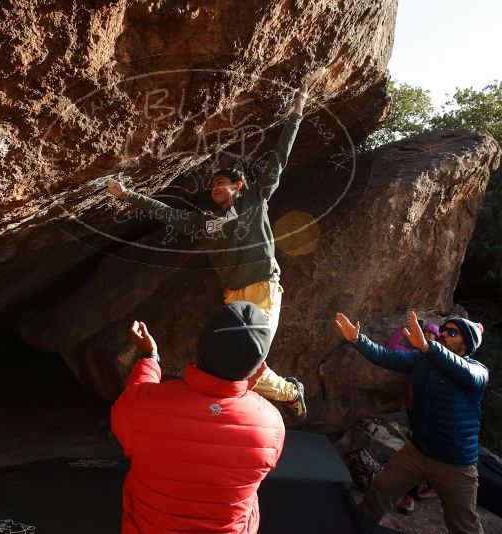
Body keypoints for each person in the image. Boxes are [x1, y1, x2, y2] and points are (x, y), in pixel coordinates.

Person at [107, 82, 314, 421]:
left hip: (262, 286)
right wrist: (128, 195)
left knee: (246, 362)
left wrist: (297, 112)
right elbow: (167, 213)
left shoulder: (254, 199)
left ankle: (290, 394)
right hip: (233, 296)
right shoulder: (205, 223)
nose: (217, 187)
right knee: (238, 364)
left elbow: (279, 159)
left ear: (239, 186)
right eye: (214, 184)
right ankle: (288, 393)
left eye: (223, 182)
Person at [110, 302, 285, 533]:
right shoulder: (271, 424)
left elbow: (133, 403)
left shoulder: (140, 405)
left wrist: (148, 358)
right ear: (259, 367)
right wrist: (245, 389)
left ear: (198, 348)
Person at [335, 310, 488, 534]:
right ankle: (356, 528)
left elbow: (466, 373)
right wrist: (358, 340)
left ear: (466, 345)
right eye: (444, 329)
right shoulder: (422, 361)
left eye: (452, 332)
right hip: (418, 451)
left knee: (463, 524)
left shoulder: (477, 371)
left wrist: (428, 348)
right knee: (380, 491)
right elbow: (387, 357)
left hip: (455, 462)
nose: (444, 334)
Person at [385, 318, 441, 514]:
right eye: (424, 335)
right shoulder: (414, 356)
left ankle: (414, 495)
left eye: (431, 336)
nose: (427, 338)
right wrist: (404, 329)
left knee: (427, 451)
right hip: (415, 409)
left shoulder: (442, 359)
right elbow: (392, 347)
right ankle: (416, 492)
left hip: (436, 413)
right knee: (420, 451)